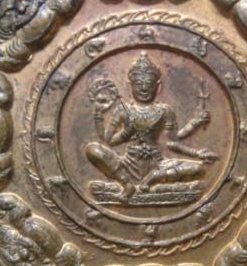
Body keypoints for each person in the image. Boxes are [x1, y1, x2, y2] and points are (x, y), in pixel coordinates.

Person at [85, 52, 218, 203]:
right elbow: (109, 140)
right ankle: (127, 184)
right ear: (130, 86)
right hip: (128, 165)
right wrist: (103, 116)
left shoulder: (165, 111)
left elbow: (173, 142)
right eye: (138, 84)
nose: (144, 88)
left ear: (158, 87)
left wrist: (197, 143)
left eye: (149, 84)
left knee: (199, 168)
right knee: (93, 150)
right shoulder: (123, 110)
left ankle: (154, 178)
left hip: (158, 164)